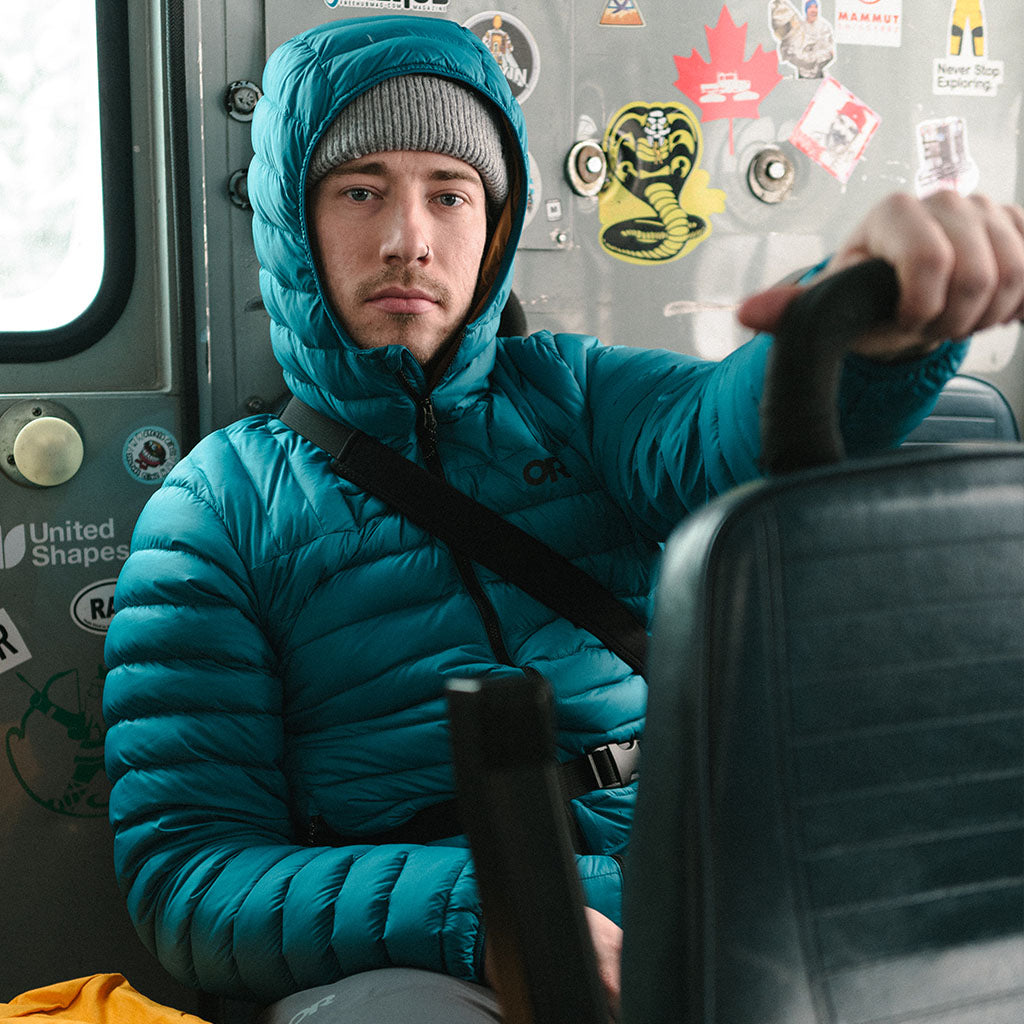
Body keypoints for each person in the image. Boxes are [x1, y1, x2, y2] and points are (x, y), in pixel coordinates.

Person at [102, 13, 1024, 1024]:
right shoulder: (213, 512)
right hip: (432, 955)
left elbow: (736, 428)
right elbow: (192, 875)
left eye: (449, 193)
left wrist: (864, 323)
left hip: (689, 881)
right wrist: (499, 913)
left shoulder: (578, 401)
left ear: (494, 225)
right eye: (360, 190)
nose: (409, 238)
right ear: (293, 220)